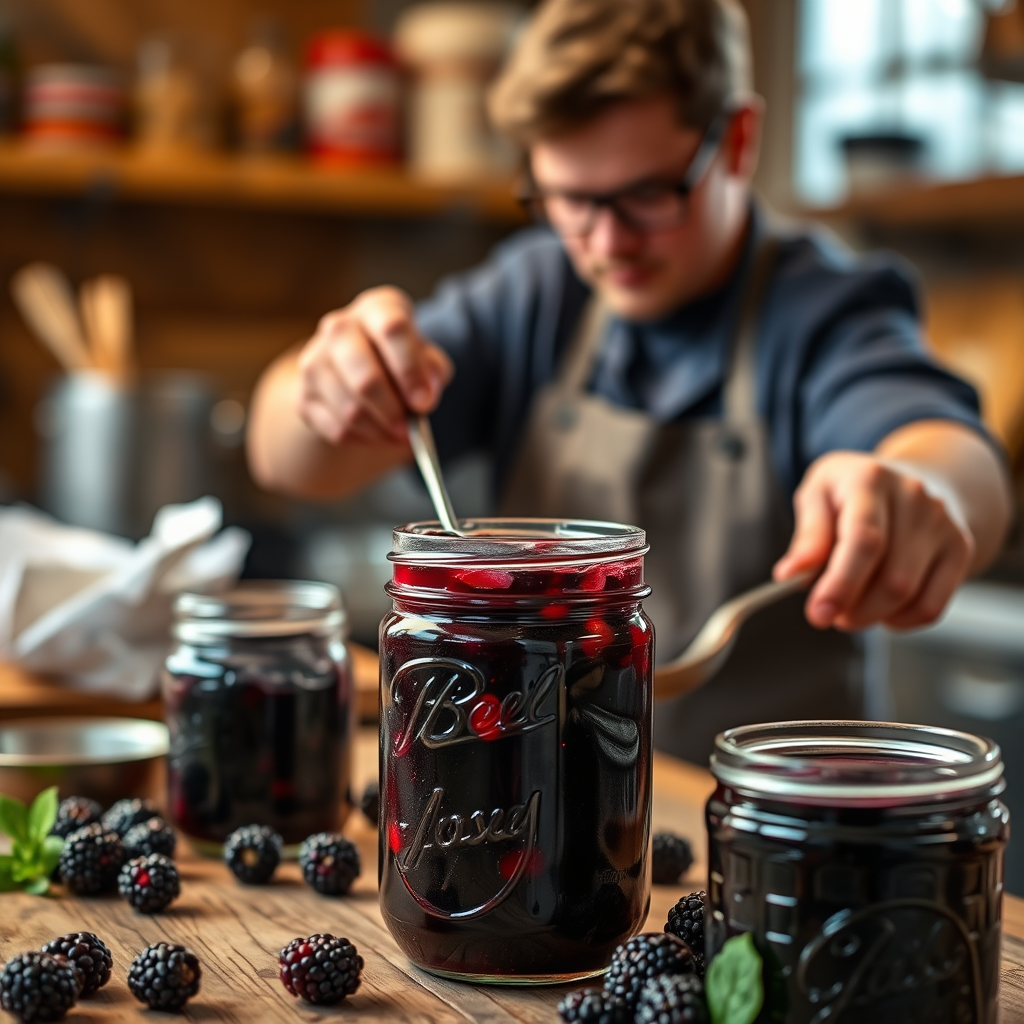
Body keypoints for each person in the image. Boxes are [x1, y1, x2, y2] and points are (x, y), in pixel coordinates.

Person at [247, 0, 1013, 763]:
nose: (608, 242)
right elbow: (289, 460)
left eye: (649, 194)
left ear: (738, 141)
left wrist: (915, 496)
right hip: (544, 806)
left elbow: (950, 457)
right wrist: (324, 386)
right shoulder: (535, 295)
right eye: (572, 200)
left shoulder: (820, 310)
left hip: (760, 830)